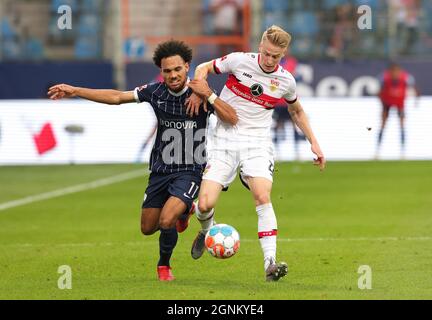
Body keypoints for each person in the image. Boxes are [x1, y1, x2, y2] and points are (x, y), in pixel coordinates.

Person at [47, 40, 238, 281]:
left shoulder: (200, 92)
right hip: (160, 170)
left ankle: (164, 266)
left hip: (190, 169)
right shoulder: (154, 92)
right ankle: (185, 211)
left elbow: (231, 118)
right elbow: (116, 97)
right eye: (167, 71)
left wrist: (208, 96)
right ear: (161, 72)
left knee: (166, 220)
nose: (173, 75)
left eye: (177, 69)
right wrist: (75, 91)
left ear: (187, 67)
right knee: (148, 228)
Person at [185, 25, 326, 281]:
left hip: (257, 142)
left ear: (283, 55)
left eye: (276, 56)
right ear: (260, 46)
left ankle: (270, 264)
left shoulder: (285, 81)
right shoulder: (239, 61)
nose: (271, 60)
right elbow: (203, 67)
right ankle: (208, 229)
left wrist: (314, 142)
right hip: (223, 138)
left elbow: (297, 111)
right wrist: (198, 89)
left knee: (262, 195)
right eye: (268, 53)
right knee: (205, 204)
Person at [376, 62, 420, 159]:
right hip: (387, 103)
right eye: (393, 71)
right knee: (383, 125)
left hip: (400, 104)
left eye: (396, 71)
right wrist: (381, 101)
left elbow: (415, 89)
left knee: (402, 126)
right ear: (390, 71)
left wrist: (417, 100)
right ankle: (377, 151)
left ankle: (403, 152)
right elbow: (379, 91)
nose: (395, 74)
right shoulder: (384, 78)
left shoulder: (406, 78)